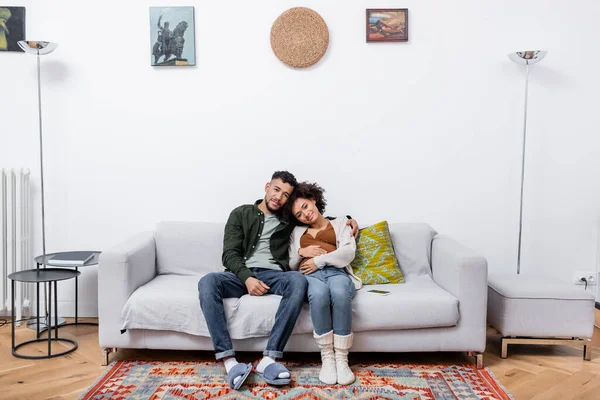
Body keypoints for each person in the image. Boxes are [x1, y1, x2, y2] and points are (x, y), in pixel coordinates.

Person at [198, 171, 358, 390]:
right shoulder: (241, 213)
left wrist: (349, 220)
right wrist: (247, 278)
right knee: (208, 282)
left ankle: (269, 359)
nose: (279, 197)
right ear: (266, 187)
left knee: (298, 281)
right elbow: (229, 254)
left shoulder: (288, 219)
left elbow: (317, 219)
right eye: (276, 190)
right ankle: (229, 361)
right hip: (240, 274)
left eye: (285, 195)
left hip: (275, 275)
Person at [287, 182, 362, 385]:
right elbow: (290, 262)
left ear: (313, 199)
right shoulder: (296, 233)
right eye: (299, 214)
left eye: (305, 206)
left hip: (336, 271)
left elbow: (348, 253)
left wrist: (319, 260)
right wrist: (301, 252)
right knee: (318, 295)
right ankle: (327, 357)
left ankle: (341, 358)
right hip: (308, 275)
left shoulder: (340, 223)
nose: (305, 214)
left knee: (339, 292)